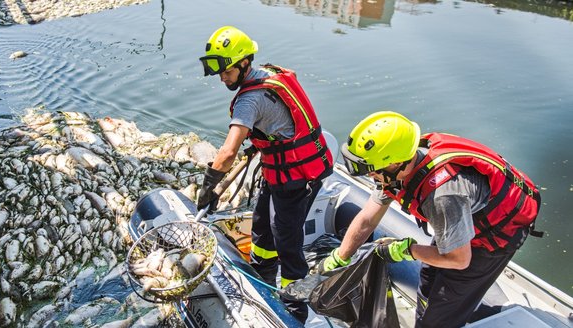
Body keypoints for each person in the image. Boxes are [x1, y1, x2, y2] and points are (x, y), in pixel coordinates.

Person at [321, 111, 541, 327]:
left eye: (372, 171)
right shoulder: (397, 165)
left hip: (489, 239)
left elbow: (458, 260)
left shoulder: (443, 196)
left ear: (396, 163)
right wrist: (340, 257)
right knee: (428, 277)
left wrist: (406, 250)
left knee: (440, 314)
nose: (370, 176)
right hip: (461, 219)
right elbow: (368, 218)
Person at [197, 26, 334, 323]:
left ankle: (295, 307)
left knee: (287, 239)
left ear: (244, 63)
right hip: (280, 170)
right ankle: (261, 277)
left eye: (226, 71)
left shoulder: (250, 100)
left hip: (296, 176)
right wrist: (263, 140)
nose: (222, 77)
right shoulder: (270, 74)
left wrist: (209, 188)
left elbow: (227, 153)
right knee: (261, 226)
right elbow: (277, 121)